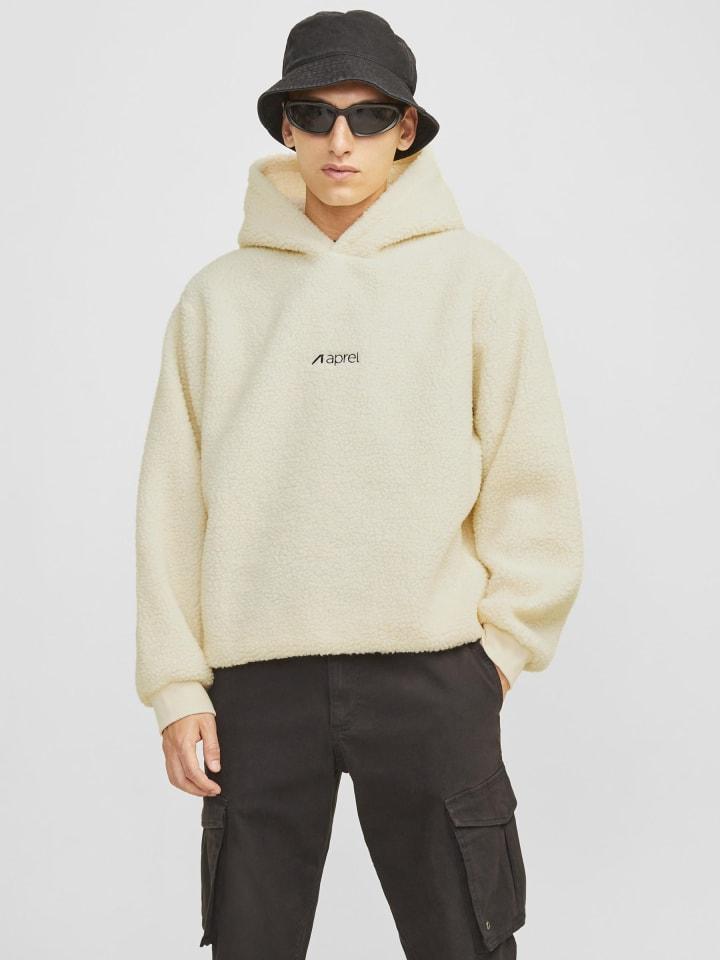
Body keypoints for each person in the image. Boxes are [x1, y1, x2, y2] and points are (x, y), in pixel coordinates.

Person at [134, 10, 583, 958]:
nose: (341, 140)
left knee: (464, 941)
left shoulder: (478, 281)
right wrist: (176, 687)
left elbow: (529, 477)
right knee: (250, 943)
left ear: (405, 129)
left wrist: (500, 652)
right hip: (257, 684)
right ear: (286, 126)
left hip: (433, 670)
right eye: (316, 113)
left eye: (370, 116)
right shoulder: (216, 299)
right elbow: (172, 504)